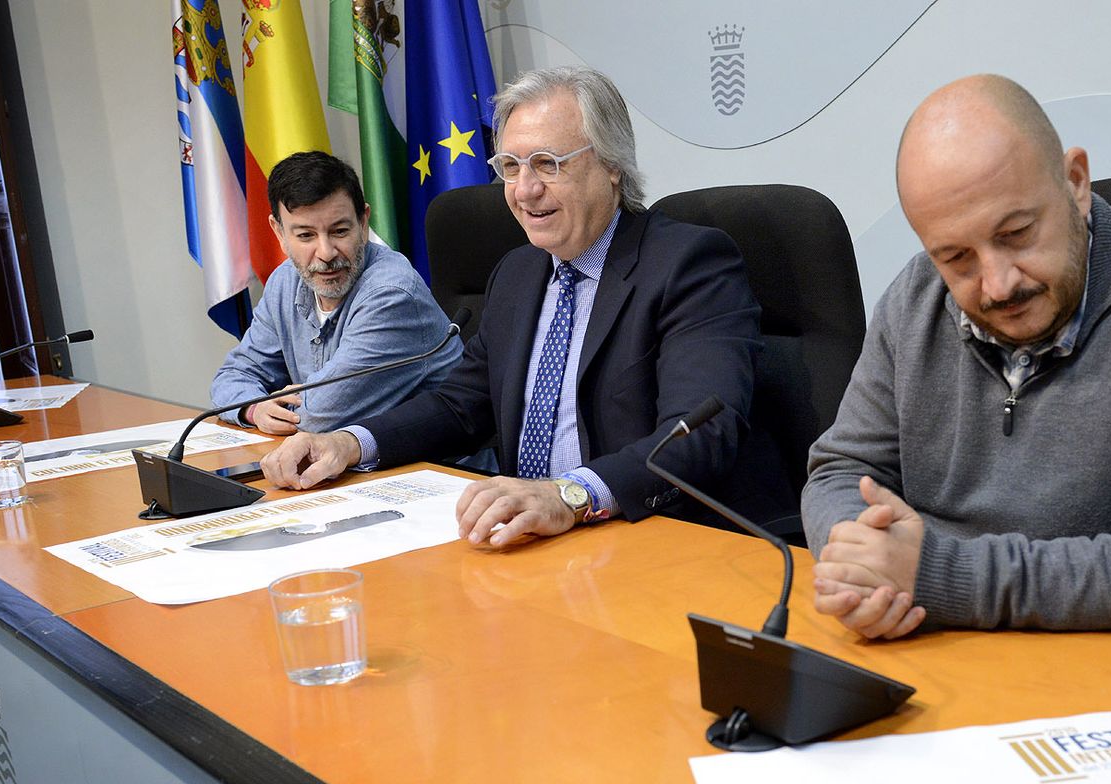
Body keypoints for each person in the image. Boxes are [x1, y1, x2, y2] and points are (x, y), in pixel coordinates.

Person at [801, 74, 1111, 644]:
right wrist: (866, 569)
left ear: (1076, 182)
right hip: (967, 647)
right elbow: (840, 472)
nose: (997, 283)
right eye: (956, 257)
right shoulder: (916, 300)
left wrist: (941, 576)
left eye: (1016, 233)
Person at [261, 66, 787, 547]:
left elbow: (699, 434)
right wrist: (351, 444)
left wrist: (570, 496)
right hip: (533, 540)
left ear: (612, 167)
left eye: (547, 164)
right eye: (510, 166)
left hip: (655, 536)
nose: (524, 190)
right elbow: (460, 406)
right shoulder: (518, 272)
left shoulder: (689, 264)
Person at [210, 151, 463, 435]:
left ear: (363, 222)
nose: (326, 253)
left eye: (340, 231)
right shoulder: (285, 281)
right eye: (305, 236)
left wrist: (282, 403)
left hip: (432, 471)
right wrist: (255, 408)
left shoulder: (392, 294)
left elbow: (320, 417)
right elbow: (232, 376)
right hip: (341, 464)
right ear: (279, 233)